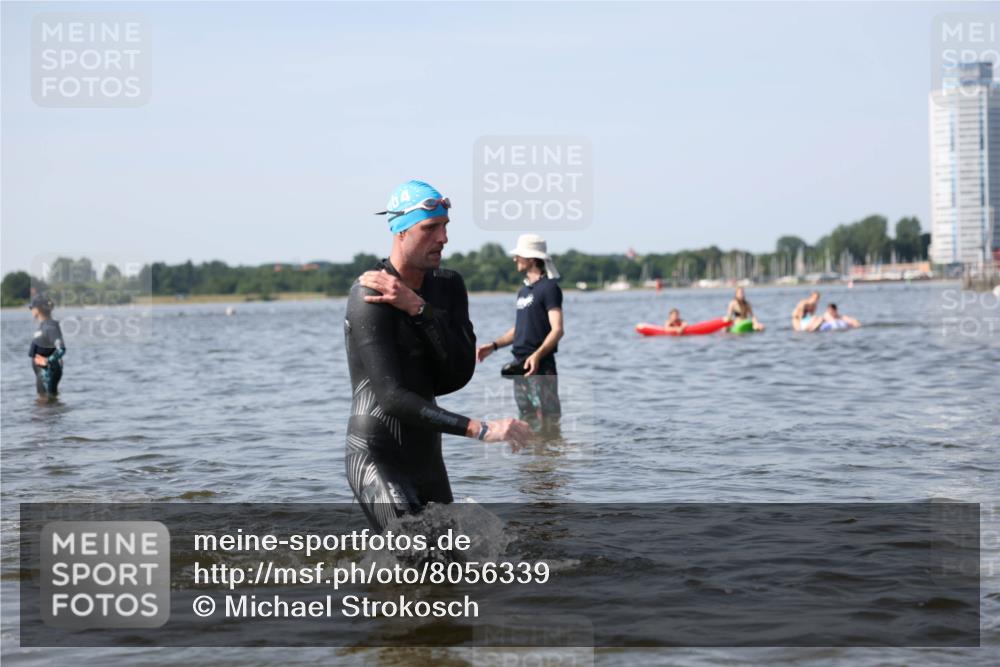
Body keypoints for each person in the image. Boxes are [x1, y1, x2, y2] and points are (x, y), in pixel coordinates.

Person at [344, 180, 532, 532]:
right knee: (417, 558)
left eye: (445, 227)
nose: (443, 238)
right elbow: (392, 398)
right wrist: (480, 429)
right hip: (377, 455)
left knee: (451, 573)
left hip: (427, 458)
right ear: (400, 232)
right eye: (430, 228)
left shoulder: (447, 286)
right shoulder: (370, 294)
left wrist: (419, 309)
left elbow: (456, 374)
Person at [477, 234, 564, 425]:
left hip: (540, 366)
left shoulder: (549, 288)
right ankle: (532, 455)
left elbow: (557, 329)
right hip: (520, 366)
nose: (515, 258)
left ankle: (550, 453)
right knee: (527, 420)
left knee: (549, 422)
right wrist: (493, 346)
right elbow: (520, 328)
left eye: (519, 255)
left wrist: (537, 355)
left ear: (532, 259)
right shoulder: (524, 291)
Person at [28, 294, 66, 399]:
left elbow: (61, 348)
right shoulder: (44, 325)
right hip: (42, 372)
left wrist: (48, 361)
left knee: (44, 406)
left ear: (38, 309)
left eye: (31, 307)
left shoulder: (50, 326)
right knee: (48, 404)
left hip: (47, 373)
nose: (31, 310)